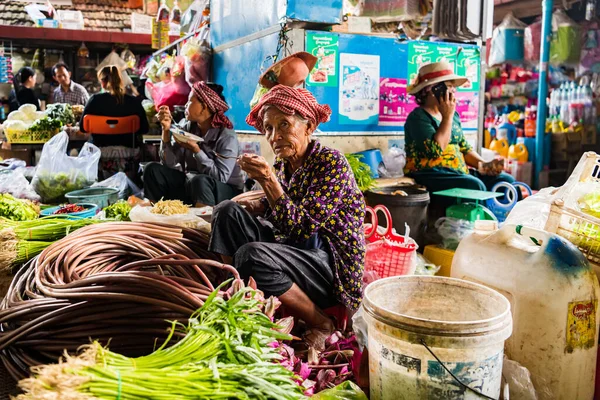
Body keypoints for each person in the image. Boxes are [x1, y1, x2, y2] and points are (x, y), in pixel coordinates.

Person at [209, 85, 366, 349]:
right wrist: (258, 204)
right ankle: (239, 295)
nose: (275, 135)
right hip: (297, 252)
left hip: (330, 266)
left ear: (308, 127)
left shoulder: (331, 163)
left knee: (251, 255)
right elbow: (281, 211)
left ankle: (321, 322)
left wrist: (268, 180)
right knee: (225, 211)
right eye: (269, 128)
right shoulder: (285, 166)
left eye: (284, 125)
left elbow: (302, 228)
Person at [404, 61, 515, 194]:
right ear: (433, 90)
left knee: (506, 180)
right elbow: (435, 150)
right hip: (430, 175)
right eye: (449, 86)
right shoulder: (418, 118)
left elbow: (463, 147)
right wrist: (447, 117)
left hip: (457, 173)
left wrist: (485, 165)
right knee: (474, 186)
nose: (454, 90)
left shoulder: (453, 115)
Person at [144, 81, 244, 206]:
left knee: (199, 180)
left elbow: (221, 177)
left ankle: (203, 222)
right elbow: (169, 164)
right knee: (152, 170)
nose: (186, 105)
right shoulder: (187, 128)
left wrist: (197, 151)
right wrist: (165, 131)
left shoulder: (225, 136)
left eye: (190, 101)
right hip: (193, 185)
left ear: (204, 107)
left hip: (226, 191)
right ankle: (157, 215)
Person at [79, 65, 149, 180]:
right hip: (128, 154)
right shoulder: (134, 102)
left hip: (100, 154)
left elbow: (82, 128)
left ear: (102, 82)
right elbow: (145, 129)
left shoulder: (94, 100)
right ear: (120, 81)